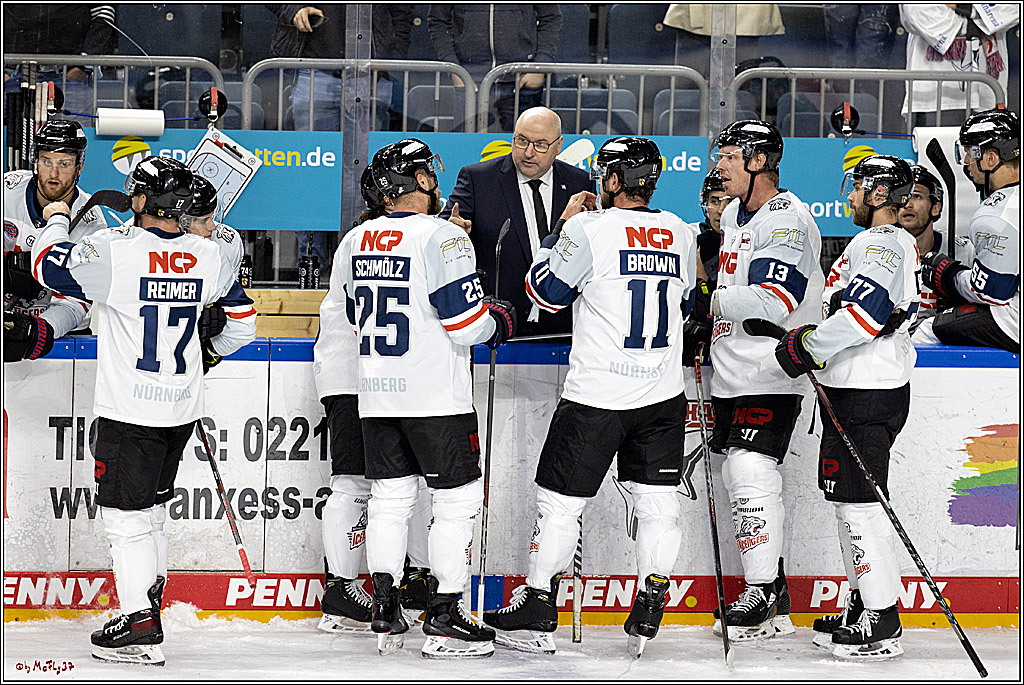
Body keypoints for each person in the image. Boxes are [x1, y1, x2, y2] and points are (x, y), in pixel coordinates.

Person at [30, 156, 257, 666]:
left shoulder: (115, 251)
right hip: (179, 411)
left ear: (145, 202)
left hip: (130, 409)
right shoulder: (209, 255)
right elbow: (243, 323)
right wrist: (206, 349)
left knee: (125, 519)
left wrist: (59, 217)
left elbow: (44, 263)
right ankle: (149, 597)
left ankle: (137, 620)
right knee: (152, 512)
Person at [484, 137, 696, 657]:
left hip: (597, 395)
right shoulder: (680, 232)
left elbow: (544, 293)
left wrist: (560, 231)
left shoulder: (587, 228)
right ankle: (651, 598)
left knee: (559, 504)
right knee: (657, 504)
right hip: (662, 394)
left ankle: (537, 601)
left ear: (615, 180)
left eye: (604, 173)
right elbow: (688, 304)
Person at [338, 139, 515, 658]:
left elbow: (353, 316)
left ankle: (385, 606)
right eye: (425, 173)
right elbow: (466, 326)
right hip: (435, 396)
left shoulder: (353, 240)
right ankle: (444, 613)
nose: (433, 181)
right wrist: (498, 320)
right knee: (456, 502)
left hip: (376, 393)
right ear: (415, 182)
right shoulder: (442, 236)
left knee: (390, 502)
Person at [773, 155, 920, 661]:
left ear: (879, 194)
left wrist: (807, 347)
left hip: (866, 391)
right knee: (850, 502)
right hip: (860, 388)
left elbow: (864, 315)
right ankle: (864, 600)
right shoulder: (883, 242)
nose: (850, 195)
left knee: (858, 506)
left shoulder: (880, 242)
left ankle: (881, 618)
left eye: (858, 188)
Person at [700, 119, 823, 642]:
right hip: (732, 371)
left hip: (772, 370)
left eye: (729, 155)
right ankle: (771, 594)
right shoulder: (732, 212)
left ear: (758, 161)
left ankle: (763, 591)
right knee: (739, 477)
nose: (718, 164)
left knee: (750, 472)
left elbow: (775, 301)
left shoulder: (787, 219)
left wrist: (702, 302)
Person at [311, 166, 433, 634]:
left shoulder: (358, 239)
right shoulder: (387, 238)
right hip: (362, 374)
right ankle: (341, 588)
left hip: (367, 372)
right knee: (358, 483)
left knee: (396, 483)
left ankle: (402, 579)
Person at [268, 4, 415, 269]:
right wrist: (291, 8)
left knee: (367, 175)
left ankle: (358, 258)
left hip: (372, 74)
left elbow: (402, 13)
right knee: (311, 166)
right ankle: (309, 264)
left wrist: (390, 59)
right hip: (314, 70)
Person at [440, 107, 593, 337]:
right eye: (521, 141)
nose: (529, 152)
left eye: (540, 144)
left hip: (562, 328)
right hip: (499, 327)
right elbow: (443, 231)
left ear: (558, 145)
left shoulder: (579, 182)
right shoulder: (478, 179)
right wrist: (452, 231)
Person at [4, 120, 108, 362]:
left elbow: (77, 302)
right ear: (36, 162)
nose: (53, 173)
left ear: (79, 167)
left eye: (64, 163)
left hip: (57, 336)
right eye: (46, 161)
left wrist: (40, 331)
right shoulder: (6, 192)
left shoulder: (92, 223)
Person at [918, 108, 1019, 353]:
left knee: (926, 332)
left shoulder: (998, 213)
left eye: (967, 152)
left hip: (1014, 323)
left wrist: (949, 276)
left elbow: (992, 291)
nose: (965, 162)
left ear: (991, 158)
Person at [427, 5, 561, 132]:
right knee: (469, 149)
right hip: (469, 80)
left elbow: (551, 17)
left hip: (521, 81)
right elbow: (438, 21)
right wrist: (454, 68)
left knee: (525, 150)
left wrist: (539, 68)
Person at [899, 4, 1020, 127]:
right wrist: (976, 25)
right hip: (933, 93)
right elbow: (916, 10)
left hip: (987, 89)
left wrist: (962, 7)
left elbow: (1013, 9)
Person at [2, 5, 116, 125]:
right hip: (12, 76)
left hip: (70, 78)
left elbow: (104, 11)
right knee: (8, 141)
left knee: (74, 140)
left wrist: (83, 65)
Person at [899, 165, 947, 315]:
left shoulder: (964, 251)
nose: (907, 204)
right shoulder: (881, 251)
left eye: (917, 196)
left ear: (935, 207)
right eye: (903, 196)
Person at [697, 168, 729, 289]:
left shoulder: (754, 243)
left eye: (729, 202)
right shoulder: (695, 243)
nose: (721, 210)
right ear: (705, 204)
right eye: (714, 201)